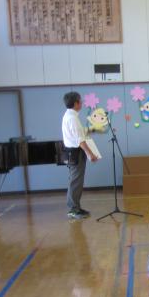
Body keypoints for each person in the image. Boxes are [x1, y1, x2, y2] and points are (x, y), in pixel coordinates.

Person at [61, 91, 99, 219]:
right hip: (76, 153)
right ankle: (73, 209)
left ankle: (76, 207)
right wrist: (91, 154)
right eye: (80, 101)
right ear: (76, 103)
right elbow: (80, 140)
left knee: (76, 180)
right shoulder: (72, 118)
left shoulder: (70, 116)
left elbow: (80, 133)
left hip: (73, 152)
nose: (81, 103)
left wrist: (93, 129)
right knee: (75, 181)